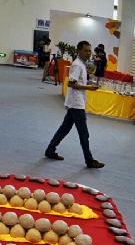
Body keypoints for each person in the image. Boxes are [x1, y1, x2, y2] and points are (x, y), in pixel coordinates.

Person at [44, 40, 104, 169]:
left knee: (64, 128)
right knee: (83, 133)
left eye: (90, 50)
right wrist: (89, 87)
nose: (89, 53)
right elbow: (71, 84)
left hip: (75, 102)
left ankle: (50, 150)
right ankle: (89, 160)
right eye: (86, 50)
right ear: (79, 51)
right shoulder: (77, 65)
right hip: (76, 103)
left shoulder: (81, 64)